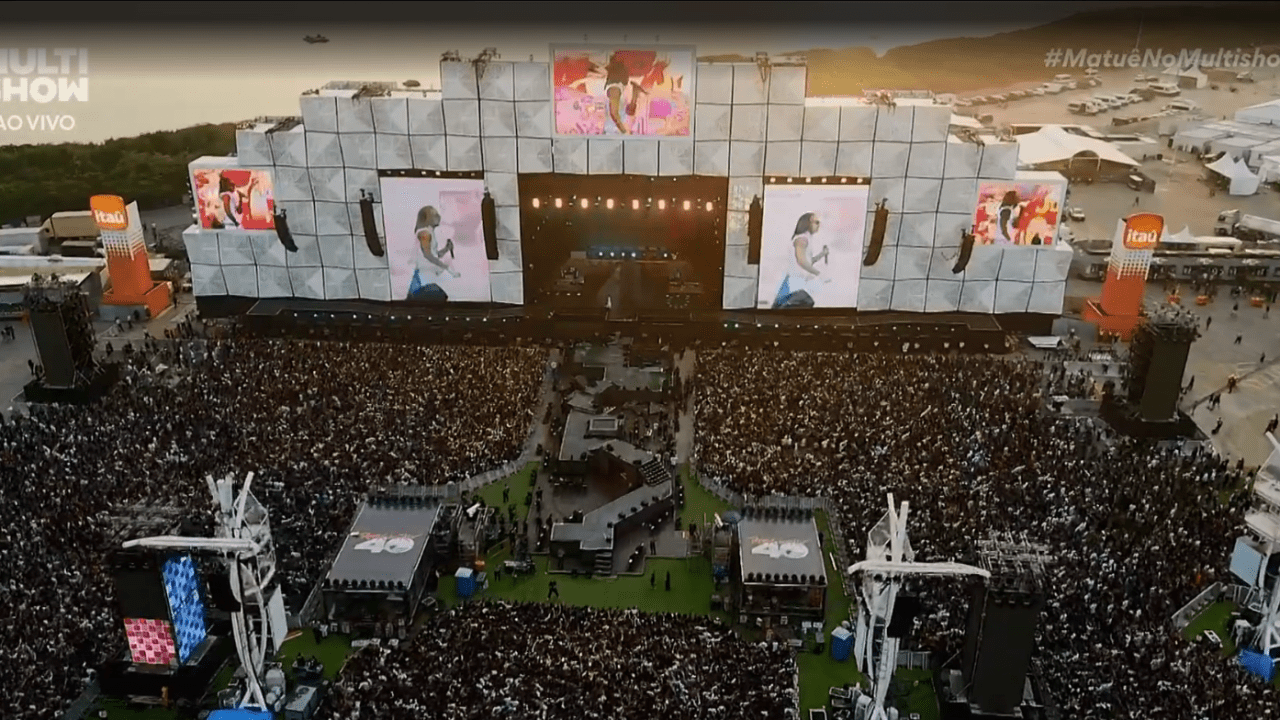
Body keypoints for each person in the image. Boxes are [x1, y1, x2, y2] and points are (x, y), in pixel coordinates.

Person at [772, 213, 830, 309]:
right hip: (794, 283)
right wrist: (819, 274)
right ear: (808, 223)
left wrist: (822, 254)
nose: (818, 226)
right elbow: (802, 261)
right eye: (816, 222)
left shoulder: (804, 239)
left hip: (796, 282)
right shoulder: (802, 239)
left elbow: (808, 261)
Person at [407, 206, 458, 302]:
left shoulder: (429, 232)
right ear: (427, 218)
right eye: (434, 215)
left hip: (427, 274)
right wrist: (444, 266)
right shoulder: (424, 233)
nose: (438, 217)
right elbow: (427, 255)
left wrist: (446, 249)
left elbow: (433, 255)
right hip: (423, 276)